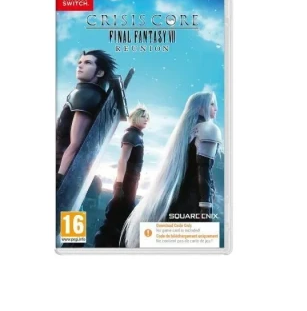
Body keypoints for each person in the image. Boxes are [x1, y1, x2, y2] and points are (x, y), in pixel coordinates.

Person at [122, 91, 221, 248]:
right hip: (194, 201)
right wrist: (206, 208)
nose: (216, 108)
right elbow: (204, 171)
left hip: (177, 199)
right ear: (200, 108)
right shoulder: (208, 129)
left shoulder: (187, 132)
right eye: (212, 104)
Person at [56, 50, 117, 189]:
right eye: (80, 62)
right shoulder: (86, 92)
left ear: (99, 73)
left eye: (88, 63)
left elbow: (75, 144)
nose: (80, 65)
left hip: (60, 166)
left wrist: (59, 178)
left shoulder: (86, 93)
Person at [94, 105, 150, 247]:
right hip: (126, 182)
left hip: (132, 182)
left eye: (148, 117)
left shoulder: (136, 135)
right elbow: (122, 161)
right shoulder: (131, 135)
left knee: (124, 214)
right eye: (143, 116)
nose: (146, 119)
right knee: (116, 214)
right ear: (135, 117)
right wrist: (119, 185)